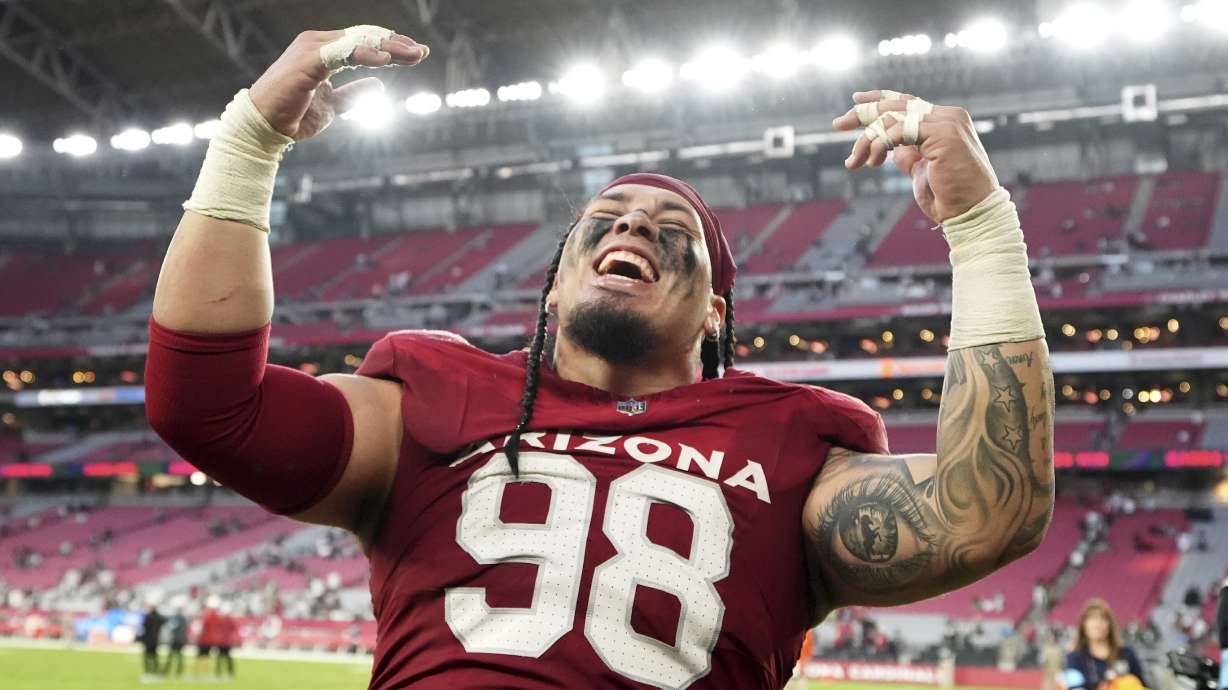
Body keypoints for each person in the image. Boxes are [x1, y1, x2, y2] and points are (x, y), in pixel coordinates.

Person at [144, 24, 1055, 689]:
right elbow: (207, 405)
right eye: (606, 222)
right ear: (552, 288)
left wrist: (980, 226)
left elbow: (987, 514)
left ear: (714, 313)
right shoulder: (432, 391)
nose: (633, 228)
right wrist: (248, 140)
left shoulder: (792, 438)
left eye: (673, 233)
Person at [1061, 599, 1150, 690]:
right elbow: (1074, 688)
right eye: (1092, 618)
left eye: (1103, 618)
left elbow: (1142, 685)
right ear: (1083, 625)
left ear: (1110, 624)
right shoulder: (1074, 658)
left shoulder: (1127, 653)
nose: (1098, 624)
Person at [138, 604, 164, 678]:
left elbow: (143, 627)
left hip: (148, 640)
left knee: (147, 657)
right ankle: (155, 671)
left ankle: (148, 671)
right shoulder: (159, 617)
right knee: (155, 657)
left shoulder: (148, 617)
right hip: (155, 639)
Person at [162, 608, 189, 677]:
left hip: (175, 639)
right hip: (181, 640)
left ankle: (166, 670)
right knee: (180, 656)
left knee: (170, 656)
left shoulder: (175, 619)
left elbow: (170, 627)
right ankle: (179, 670)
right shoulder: (184, 619)